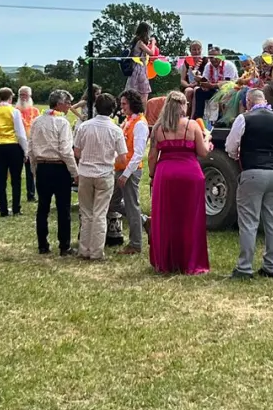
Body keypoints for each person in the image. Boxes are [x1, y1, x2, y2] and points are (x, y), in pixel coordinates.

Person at [223, 87, 273, 279]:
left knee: (249, 222)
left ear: (248, 102)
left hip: (252, 171)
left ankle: (244, 267)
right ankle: (270, 266)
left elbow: (230, 146)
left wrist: (237, 156)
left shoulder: (244, 118)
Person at [145, 90, 210, 275]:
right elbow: (204, 152)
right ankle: (189, 260)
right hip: (190, 173)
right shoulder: (192, 125)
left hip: (165, 173)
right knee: (190, 217)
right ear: (183, 106)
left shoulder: (158, 128)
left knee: (166, 217)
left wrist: (152, 175)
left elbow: (151, 157)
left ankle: (166, 260)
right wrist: (208, 138)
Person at [72, 92, 125, 260]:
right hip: (104, 173)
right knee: (100, 213)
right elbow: (123, 156)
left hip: (86, 172)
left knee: (86, 212)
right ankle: (96, 252)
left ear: (95, 107)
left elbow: (77, 151)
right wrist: (108, 158)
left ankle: (83, 249)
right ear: (113, 110)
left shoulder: (84, 126)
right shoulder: (116, 130)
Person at [28, 89, 79, 255]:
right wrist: (74, 171)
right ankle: (64, 246)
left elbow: (31, 148)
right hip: (59, 167)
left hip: (42, 166)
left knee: (43, 208)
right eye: (68, 103)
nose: (69, 106)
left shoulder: (37, 121)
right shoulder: (62, 123)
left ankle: (42, 244)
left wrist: (34, 169)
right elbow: (65, 150)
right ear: (59, 104)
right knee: (63, 208)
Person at [114, 90, 150, 254]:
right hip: (119, 168)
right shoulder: (128, 121)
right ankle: (144, 221)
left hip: (130, 171)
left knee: (131, 205)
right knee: (112, 203)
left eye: (124, 104)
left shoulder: (140, 124)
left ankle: (135, 244)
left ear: (132, 104)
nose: (121, 107)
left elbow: (138, 153)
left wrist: (126, 174)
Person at [0, 87, 29, 216]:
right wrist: (25, 150)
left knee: (1, 179)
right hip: (13, 146)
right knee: (16, 179)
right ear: (11, 97)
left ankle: (3, 209)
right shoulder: (14, 111)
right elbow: (20, 132)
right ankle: (16, 208)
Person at [124, 21, 156, 105]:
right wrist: (153, 43)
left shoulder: (136, 42)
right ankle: (142, 113)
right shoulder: (140, 42)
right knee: (143, 94)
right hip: (139, 70)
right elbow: (151, 53)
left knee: (132, 93)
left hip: (136, 69)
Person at [16, 86, 39, 197]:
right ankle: (17, 195)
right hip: (17, 143)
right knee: (16, 171)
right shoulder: (15, 110)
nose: (23, 97)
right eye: (21, 95)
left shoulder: (35, 111)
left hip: (31, 143)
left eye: (25, 95)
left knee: (30, 170)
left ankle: (31, 194)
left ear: (30, 96)